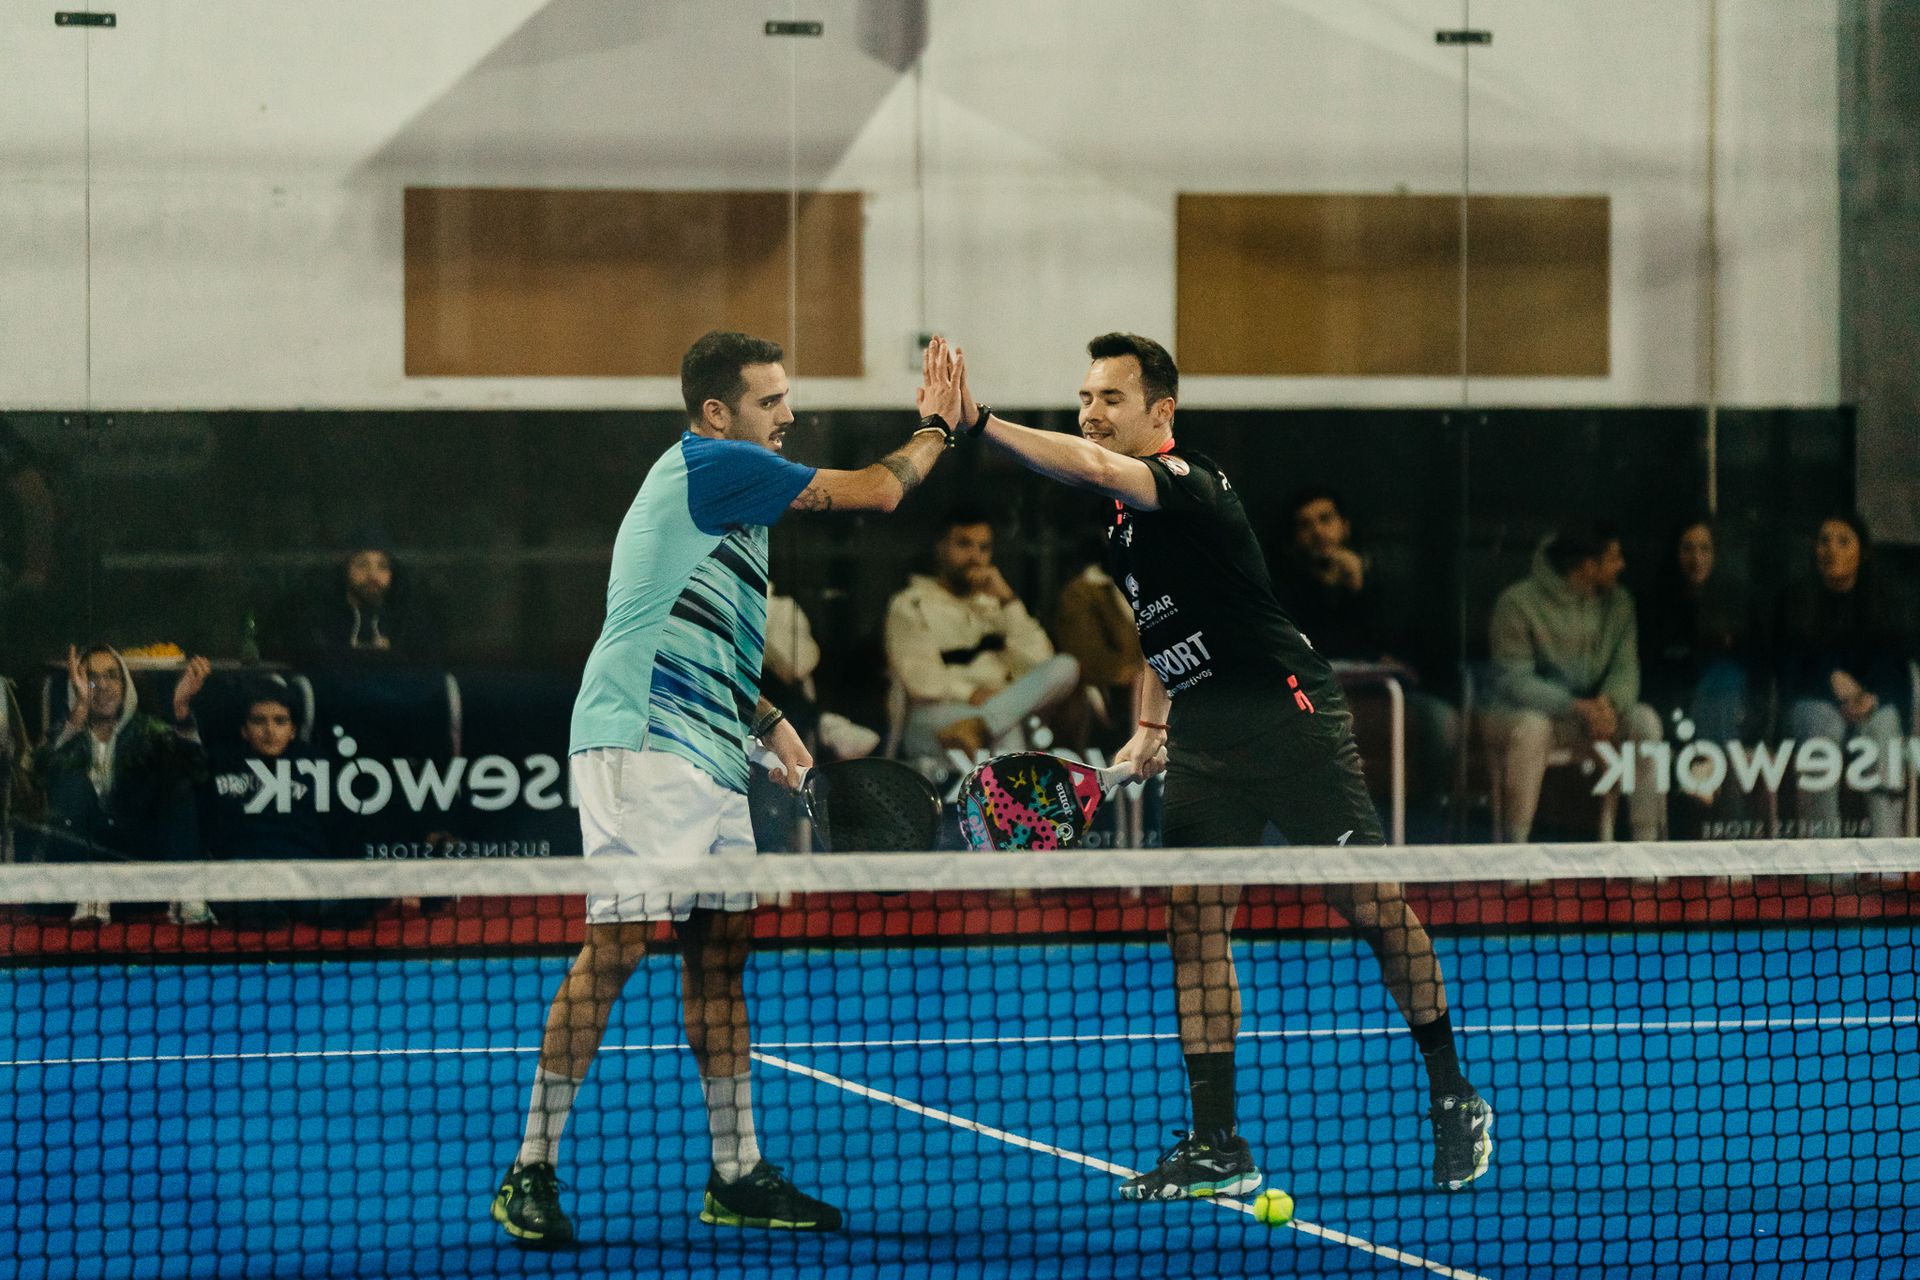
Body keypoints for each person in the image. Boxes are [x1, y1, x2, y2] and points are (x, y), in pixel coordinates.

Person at [946, 332, 1492, 1198]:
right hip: (1204, 739)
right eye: (1086, 398)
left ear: (1161, 412)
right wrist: (1148, 728)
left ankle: (1453, 1093)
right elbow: (1162, 637)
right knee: (1193, 924)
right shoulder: (1124, 530)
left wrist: (977, 422)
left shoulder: (1188, 486)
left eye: (1110, 399)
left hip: (1292, 727)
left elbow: (1094, 469)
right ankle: (1217, 1144)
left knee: (1375, 910)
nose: (1092, 413)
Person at [490, 330, 963, 1246]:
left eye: (788, 396)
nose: (789, 413)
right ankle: (529, 1170)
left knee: (721, 951)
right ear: (718, 413)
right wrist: (939, 428)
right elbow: (876, 490)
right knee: (618, 947)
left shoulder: (732, 495)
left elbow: (682, 622)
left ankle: (737, 1173)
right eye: (770, 399)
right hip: (641, 742)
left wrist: (769, 720)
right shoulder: (715, 466)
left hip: (710, 748)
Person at [1486, 522, 1665, 842]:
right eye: (1614, 558)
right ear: (1587, 566)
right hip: (1526, 715)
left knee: (1646, 722)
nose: (1622, 565)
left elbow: (1626, 668)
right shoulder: (1516, 603)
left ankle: (1647, 848)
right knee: (1531, 729)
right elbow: (1514, 681)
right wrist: (1573, 705)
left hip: (1595, 717)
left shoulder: (1620, 603)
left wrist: (1608, 705)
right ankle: (1515, 851)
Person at [32, 645, 211, 924]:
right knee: (73, 782)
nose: (101, 685)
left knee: (178, 780)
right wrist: (78, 712)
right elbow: (39, 776)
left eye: (111, 676)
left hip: (137, 867)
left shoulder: (149, 731)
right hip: (77, 882)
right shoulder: (66, 730)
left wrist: (181, 710)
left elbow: (197, 773)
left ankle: (187, 894)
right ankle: (91, 897)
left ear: (125, 685)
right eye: (91, 677)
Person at [884, 506, 1081, 758]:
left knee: (1066, 666)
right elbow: (921, 680)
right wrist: (972, 693)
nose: (975, 556)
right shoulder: (910, 603)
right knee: (1007, 727)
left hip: (996, 709)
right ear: (941, 547)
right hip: (937, 713)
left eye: (983, 548)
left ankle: (982, 725)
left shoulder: (994, 603)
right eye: (964, 545)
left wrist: (1008, 601)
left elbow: (1039, 663)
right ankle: (992, 737)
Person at [1770, 512, 1909, 837]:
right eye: (1824, 541)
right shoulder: (1795, 600)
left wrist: (1871, 698)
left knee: (1884, 726)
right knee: (1823, 727)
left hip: (1869, 708)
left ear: (1862, 552)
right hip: (1813, 707)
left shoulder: (1884, 600)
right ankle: (1825, 872)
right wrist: (1830, 682)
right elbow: (1788, 673)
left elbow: (1898, 673)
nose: (1831, 550)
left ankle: (1885, 862)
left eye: (1843, 541)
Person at [1640, 518, 1750, 836]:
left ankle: (1706, 781)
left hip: (1729, 706)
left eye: (1705, 548)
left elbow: (1750, 661)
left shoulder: (1735, 598)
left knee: (1724, 680)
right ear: (1675, 553)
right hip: (1676, 708)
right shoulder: (1659, 602)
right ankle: (1723, 831)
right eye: (1688, 548)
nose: (1696, 557)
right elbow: (1660, 665)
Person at [267, 526, 443, 666]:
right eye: (362, 564)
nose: (373, 575)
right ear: (345, 569)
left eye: (382, 566)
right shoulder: (320, 619)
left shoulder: (408, 620)